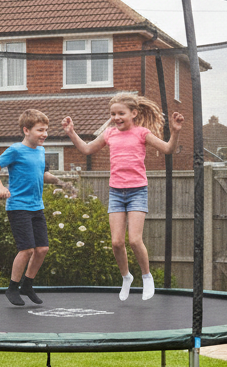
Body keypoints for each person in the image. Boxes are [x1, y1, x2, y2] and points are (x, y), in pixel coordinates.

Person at [62, 92, 183, 302]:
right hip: (116, 192)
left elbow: (168, 149)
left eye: (121, 113)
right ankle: (126, 277)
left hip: (137, 191)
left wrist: (174, 132)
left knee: (135, 240)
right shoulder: (109, 134)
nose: (116, 118)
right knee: (117, 242)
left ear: (133, 113)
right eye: (113, 114)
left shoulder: (142, 133)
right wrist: (72, 133)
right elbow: (87, 149)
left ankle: (147, 277)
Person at [0, 109, 63, 307]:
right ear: (26, 130)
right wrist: (0, 187)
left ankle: (27, 285)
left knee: (42, 248)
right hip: (18, 206)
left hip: (37, 206)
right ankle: (12, 288)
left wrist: (60, 182)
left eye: (46, 130)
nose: (44, 134)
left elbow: (42, 175)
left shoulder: (41, 151)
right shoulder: (15, 150)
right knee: (27, 249)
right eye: (40, 130)